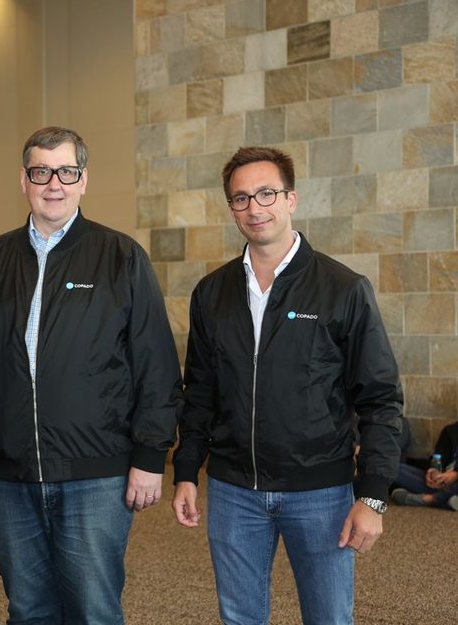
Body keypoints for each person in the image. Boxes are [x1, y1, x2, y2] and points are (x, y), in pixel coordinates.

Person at [0, 126, 182, 624]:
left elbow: (156, 364)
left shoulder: (121, 257)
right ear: (24, 180)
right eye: (41, 172)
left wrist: (150, 456)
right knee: (27, 609)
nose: (53, 183)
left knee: (93, 611)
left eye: (66, 171)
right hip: (7, 474)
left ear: (84, 181)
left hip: (96, 474)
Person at [172, 146, 403, 624]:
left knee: (328, 618)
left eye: (266, 193)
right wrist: (186, 471)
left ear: (291, 199)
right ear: (232, 208)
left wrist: (373, 495)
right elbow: (199, 393)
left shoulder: (343, 288)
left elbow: (380, 399)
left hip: (320, 492)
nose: (254, 207)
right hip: (234, 491)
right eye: (241, 198)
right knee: (240, 619)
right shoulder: (212, 293)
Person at [391, 421, 458, 511]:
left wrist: (456, 474)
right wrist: (433, 472)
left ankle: (428, 500)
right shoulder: (450, 430)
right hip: (442, 483)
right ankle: (449, 500)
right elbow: (438, 457)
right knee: (392, 467)